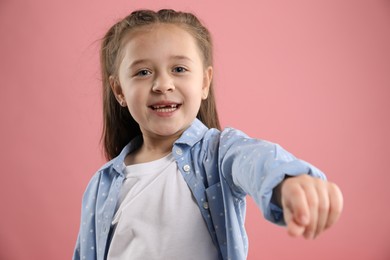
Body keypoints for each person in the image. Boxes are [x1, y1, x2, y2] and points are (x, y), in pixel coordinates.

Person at [73, 9, 343, 260]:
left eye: (179, 69)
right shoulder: (103, 184)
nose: (162, 84)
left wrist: (287, 181)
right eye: (143, 72)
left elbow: (254, 159)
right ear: (119, 91)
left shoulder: (218, 152)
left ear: (204, 82)